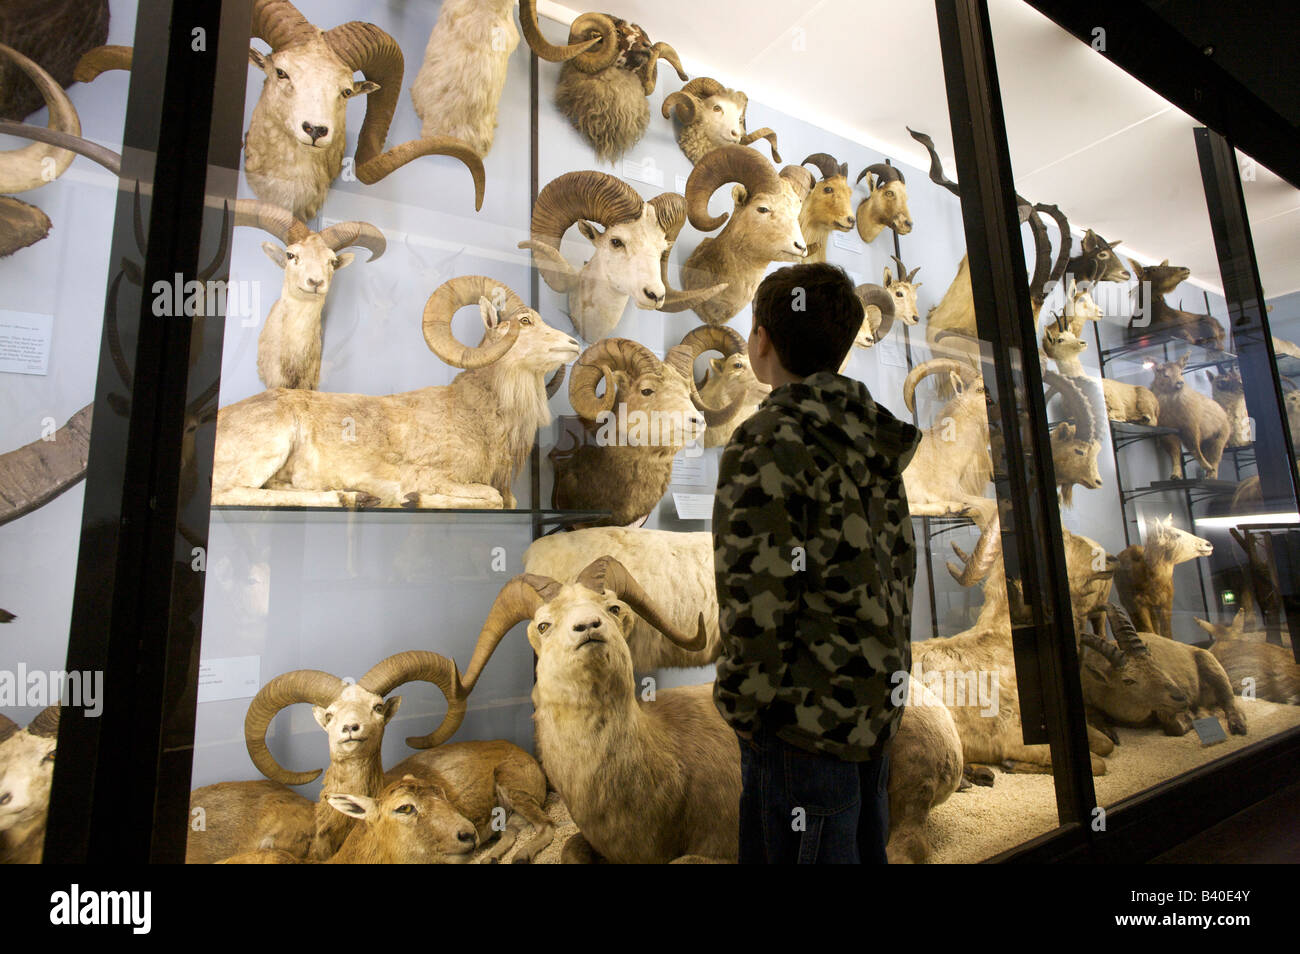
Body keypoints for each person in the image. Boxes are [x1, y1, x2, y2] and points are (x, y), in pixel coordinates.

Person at [711, 262, 921, 864]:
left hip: (801, 727)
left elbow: (758, 593)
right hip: (871, 715)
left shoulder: (767, 439)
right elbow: (898, 571)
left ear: (762, 341)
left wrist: (741, 706)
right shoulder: (871, 437)